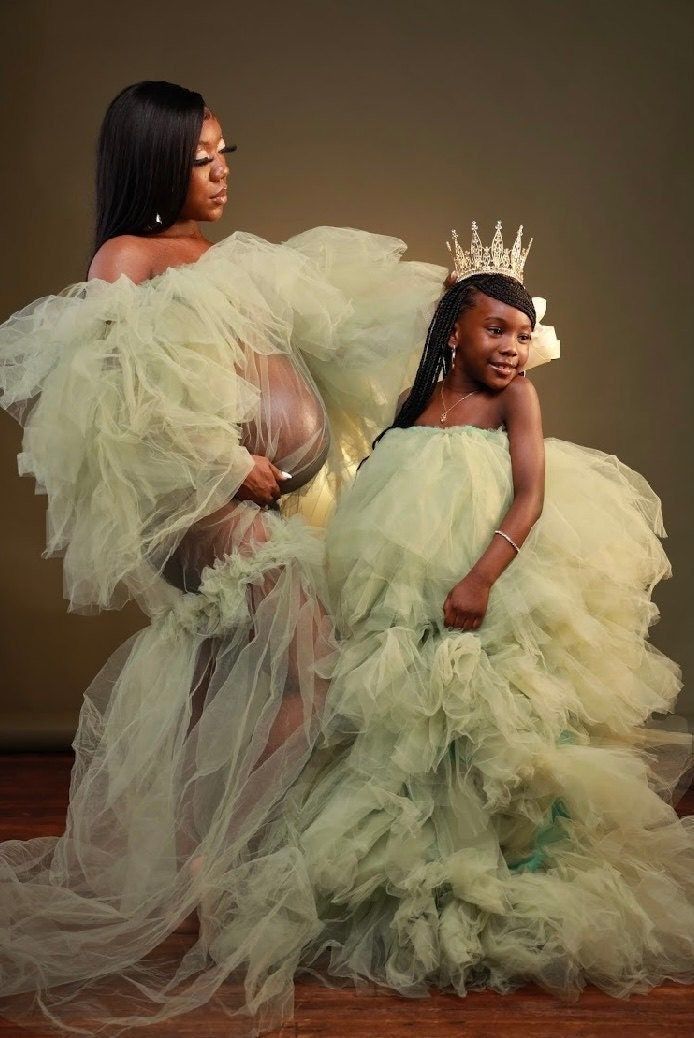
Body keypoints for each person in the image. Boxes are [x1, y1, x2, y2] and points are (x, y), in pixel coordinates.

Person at [0, 81, 447, 1035]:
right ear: (155, 162)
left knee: (237, 676)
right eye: (201, 156)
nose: (221, 169)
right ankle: (226, 865)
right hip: (207, 511)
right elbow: (119, 397)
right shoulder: (127, 257)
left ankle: (213, 857)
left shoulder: (208, 254)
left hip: (255, 497)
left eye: (223, 150)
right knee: (308, 657)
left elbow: (327, 329)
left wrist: (440, 311)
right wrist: (226, 459)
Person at [279, 220, 693, 1002]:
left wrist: (481, 578)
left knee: (494, 722)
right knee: (414, 725)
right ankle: (414, 880)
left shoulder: (517, 401)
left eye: (523, 333)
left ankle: (505, 869)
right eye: (495, 328)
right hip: (410, 584)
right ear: (453, 327)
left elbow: (531, 496)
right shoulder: (417, 401)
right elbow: (382, 483)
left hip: (489, 581)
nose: (511, 346)